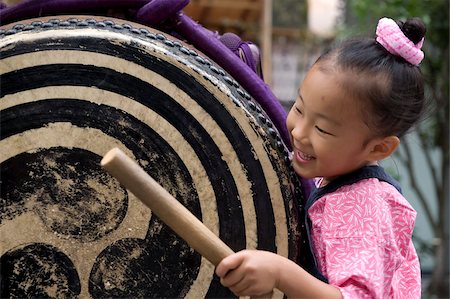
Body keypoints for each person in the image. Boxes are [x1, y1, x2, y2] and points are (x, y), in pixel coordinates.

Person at [215, 17, 426, 298]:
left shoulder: (364, 206)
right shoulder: (333, 177)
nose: (299, 132)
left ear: (379, 149)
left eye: (322, 129)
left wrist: (280, 272)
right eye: (299, 108)